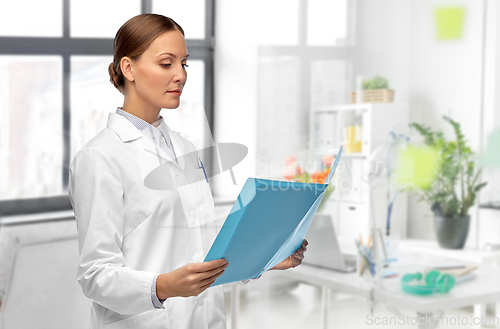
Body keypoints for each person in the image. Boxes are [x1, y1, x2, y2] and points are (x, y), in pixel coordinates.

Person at [67, 13, 307, 329]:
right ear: (129, 68)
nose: (180, 75)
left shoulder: (185, 148)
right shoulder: (100, 156)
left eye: (184, 63)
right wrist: (163, 286)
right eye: (167, 64)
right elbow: (95, 276)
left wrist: (266, 257)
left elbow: (204, 247)